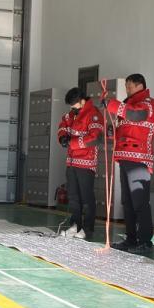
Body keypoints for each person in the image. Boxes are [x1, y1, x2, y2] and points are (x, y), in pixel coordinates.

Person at [105, 74, 154, 254]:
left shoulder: (148, 104)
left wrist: (112, 104)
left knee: (139, 201)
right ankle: (131, 238)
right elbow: (125, 127)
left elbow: (135, 114)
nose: (127, 89)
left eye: (130, 86)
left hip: (139, 159)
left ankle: (145, 241)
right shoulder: (128, 105)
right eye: (126, 86)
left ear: (140, 85)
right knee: (127, 202)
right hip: (124, 157)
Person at [57, 88, 104, 240]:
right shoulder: (71, 114)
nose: (72, 108)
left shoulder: (94, 114)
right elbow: (63, 124)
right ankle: (75, 225)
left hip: (86, 162)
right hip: (71, 162)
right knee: (73, 196)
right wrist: (62, 137)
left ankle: (87, 228)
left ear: (82, 101)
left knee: (86, 197)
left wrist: (72, 143)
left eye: (74, 105)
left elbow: (95, 138)